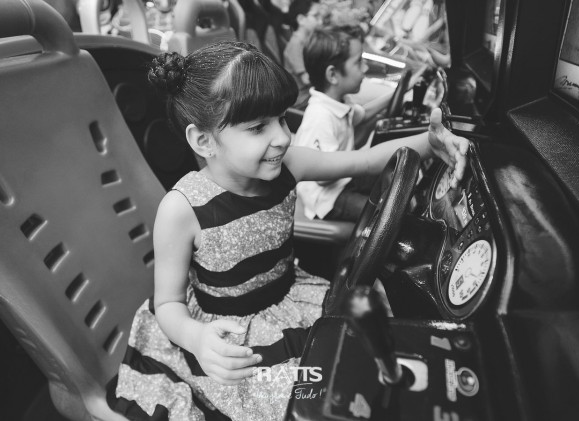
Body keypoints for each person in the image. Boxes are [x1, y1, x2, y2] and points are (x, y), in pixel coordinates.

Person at [106, 41, 468, 421]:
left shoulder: (289, 165)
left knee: (365, 352)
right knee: (305, 400)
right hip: (230, 336)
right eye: (258, 127)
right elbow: (167, 304)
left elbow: (362, 161)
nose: (282, 136)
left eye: (281, 119)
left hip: (292, 298)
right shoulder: (182, 209)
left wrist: (430, 142)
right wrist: (196, 338)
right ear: (204, 141)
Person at [294, 25, 403, 222]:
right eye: (358, 62)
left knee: (395, 175)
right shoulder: (320, 117)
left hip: (343, 181)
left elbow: (365, 113)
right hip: (327, 197)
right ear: (333, 75)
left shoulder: (339, 101)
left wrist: (399, 92)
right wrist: (364, 160)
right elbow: (322, 177)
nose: (365, 68)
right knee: (386, 216)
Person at [283, 1, 327, 109]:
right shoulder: (295, 45)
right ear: (301, 19)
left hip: (311, 93)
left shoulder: (308, 41)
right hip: (301, 98)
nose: (320, 21)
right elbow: (306, 79)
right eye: (316, 16)